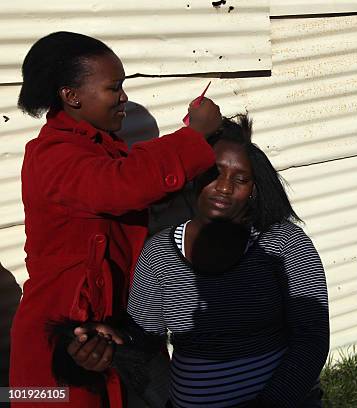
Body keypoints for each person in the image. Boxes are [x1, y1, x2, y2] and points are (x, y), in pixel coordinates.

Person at [10, 31, 222, 407]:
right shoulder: (52, 155)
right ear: (70, 95)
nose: (123, 98)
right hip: (64, 335)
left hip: (117, 328)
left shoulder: (100, 147)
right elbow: (121, 186)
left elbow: (127, 184)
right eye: (114, 88)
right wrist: (194, 137)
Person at [118, 114, 329, 407]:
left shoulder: (283, 243)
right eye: (215, 173)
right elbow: (144, 342)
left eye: (240, 179)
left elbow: (312, 338)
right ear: (196, 175)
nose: (225, 187)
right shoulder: (158, 255)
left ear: (253, 189)